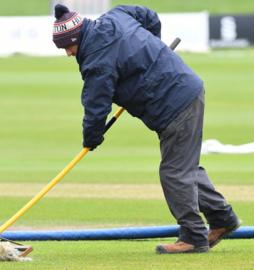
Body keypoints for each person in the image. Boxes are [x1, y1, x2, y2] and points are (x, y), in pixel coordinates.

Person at [52, 4, 240, 254]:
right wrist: (153, 48)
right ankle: (222, 220)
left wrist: (92, 137)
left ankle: (194, 237)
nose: (68, 53)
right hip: (187, 88)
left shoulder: (97, 59)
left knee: (174, 173)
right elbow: (149, 16)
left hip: (175, 104)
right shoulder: (116, 15)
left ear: (76, 37)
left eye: (67, 47)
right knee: (184, 167)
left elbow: (96, 104)